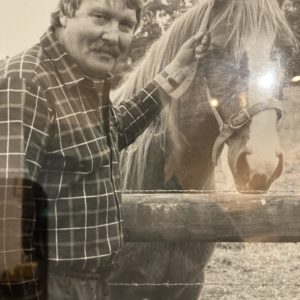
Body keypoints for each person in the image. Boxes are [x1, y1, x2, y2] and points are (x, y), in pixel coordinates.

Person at [0, 0, 209, 299]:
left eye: (125, 25)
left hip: (90, 286)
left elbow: (114, 132)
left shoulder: (82, 80)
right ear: (65, 12)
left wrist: (175, 70)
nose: (113, 36)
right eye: (100, 17)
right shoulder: (27, 83)